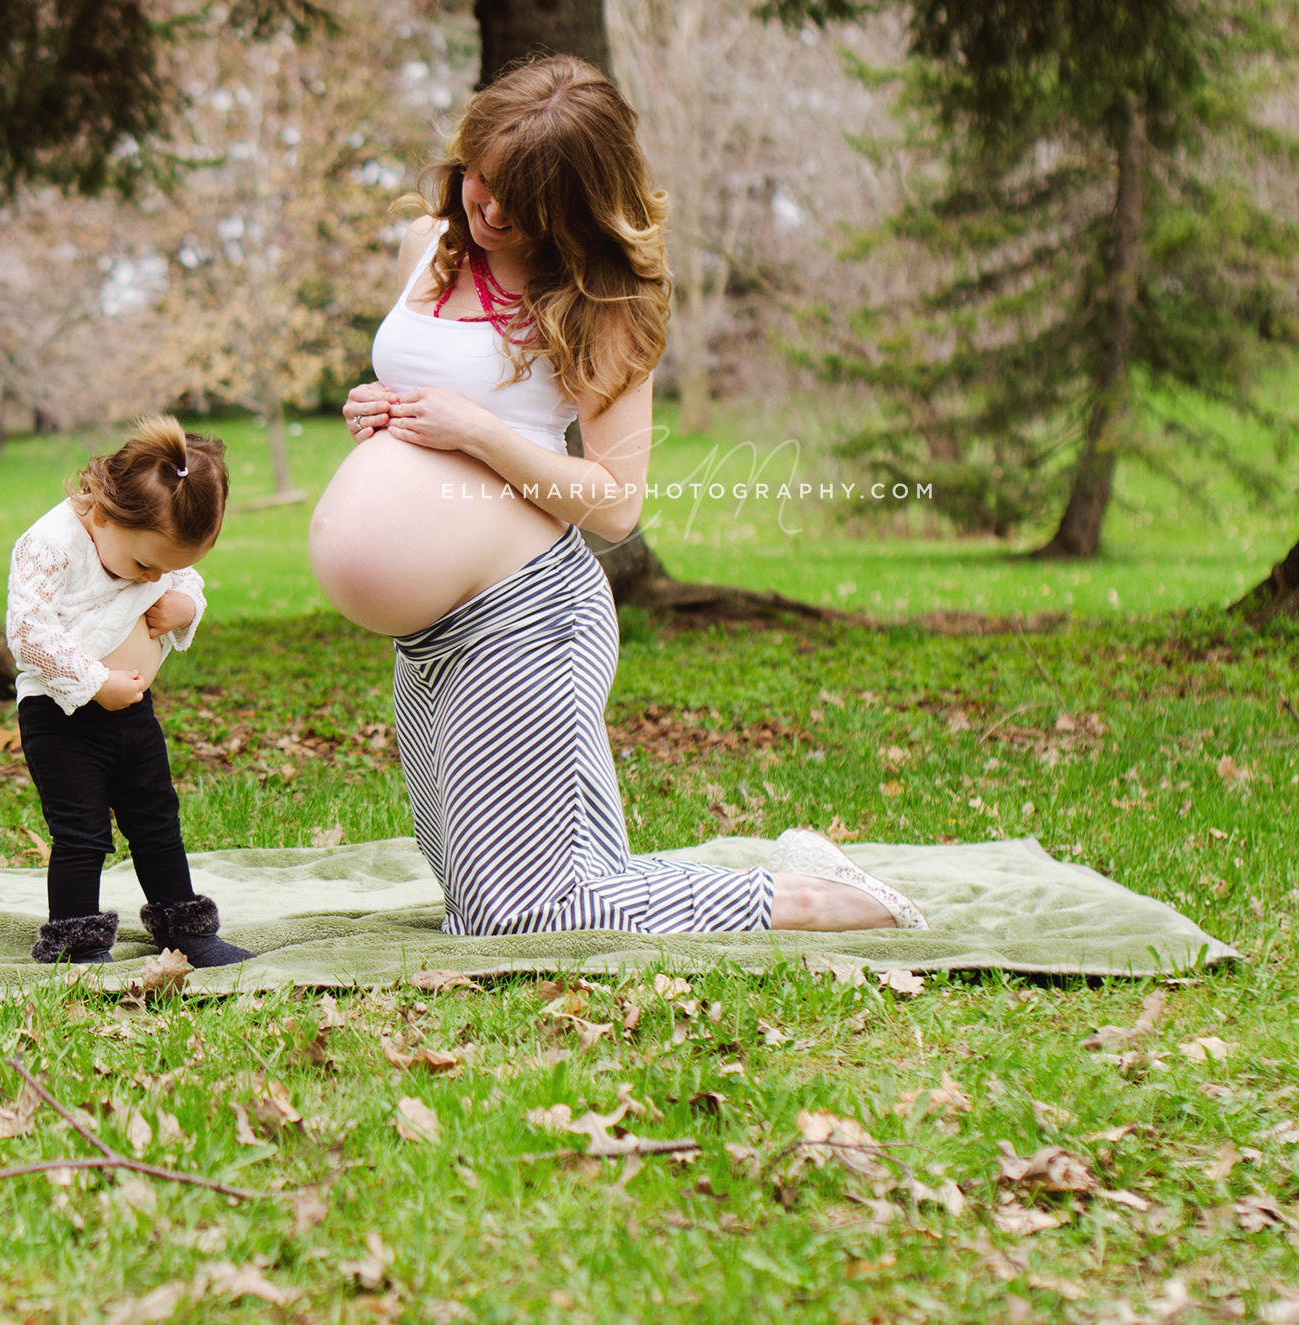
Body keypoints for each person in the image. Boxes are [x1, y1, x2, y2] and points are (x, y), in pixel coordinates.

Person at [307, 55, 927, 937]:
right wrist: (379, 415)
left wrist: (471, 429)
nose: (486, 209)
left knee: (517, 914)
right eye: (481, 178)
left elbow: (614, 503)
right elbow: (429, 397)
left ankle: (812, 900)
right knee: (495, 889)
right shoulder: (426, 249)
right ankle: (791, 861)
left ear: (571, 207)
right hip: (428, 634)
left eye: (517, 203)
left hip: (525, 620)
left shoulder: (603, 303)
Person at [6, 416, 254, 967]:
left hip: (134, 712)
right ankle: (76, 941)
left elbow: (182, 577)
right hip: (61, 716)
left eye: (165, 568)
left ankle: (185, 928)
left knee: (156, 820)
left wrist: (186, 603)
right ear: (102, 513)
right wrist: (96, 684)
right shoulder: (50, 544)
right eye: (145, 564)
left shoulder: (152, 549)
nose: (151, 578)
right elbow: (28, 632)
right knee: (82, 833)